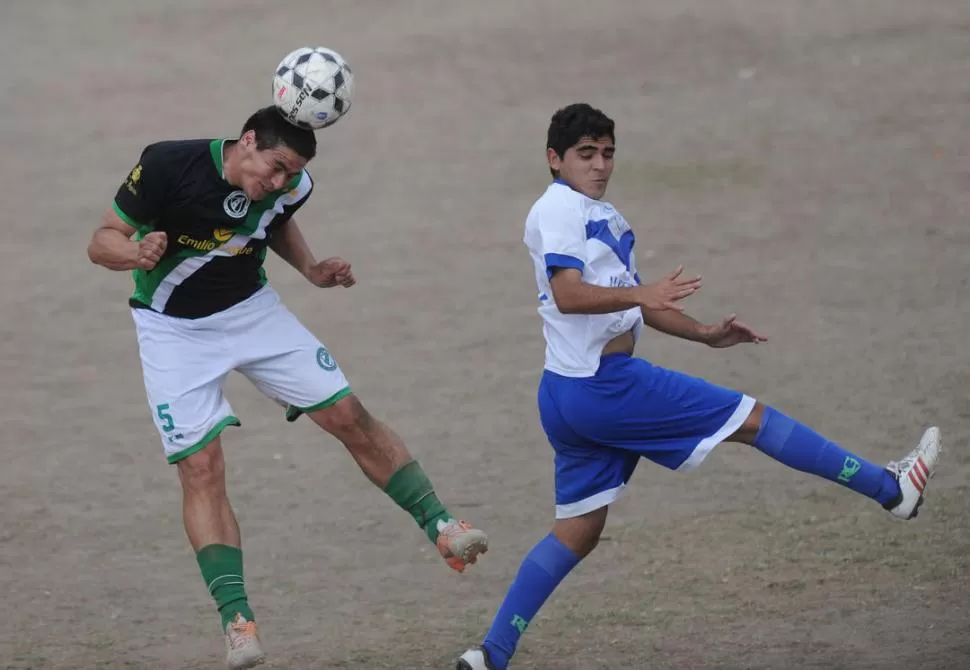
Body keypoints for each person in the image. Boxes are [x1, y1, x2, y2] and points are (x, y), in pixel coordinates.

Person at [456, 102, 942, 670]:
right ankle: (892, 490)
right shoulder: (560, 207)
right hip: (606, 387)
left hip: (566, 394)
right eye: (586, 154)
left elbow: (636, 303)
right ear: (554, 159)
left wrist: (705, 334)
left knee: (578, 531)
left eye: (608, 153)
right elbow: (570, 295)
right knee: (754, 420)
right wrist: (641, 295)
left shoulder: (597, 214)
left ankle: (490, 655)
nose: (600, 165)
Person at [86, 105, 488, 670]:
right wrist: (133, 251)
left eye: (290, 173)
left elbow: (273, 218)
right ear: (246, 141)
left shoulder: (290, 185)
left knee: (347, 413)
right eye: (274, 167)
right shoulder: (166, 165)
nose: (278, 182)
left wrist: (310, 268)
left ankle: (442, 525)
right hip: (172, 330)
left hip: (252, 311)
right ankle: (237, 622)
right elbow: (101, 239)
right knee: (201, 467)